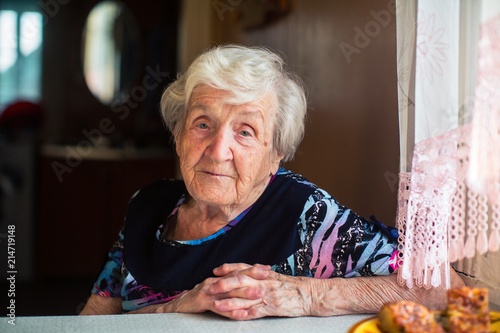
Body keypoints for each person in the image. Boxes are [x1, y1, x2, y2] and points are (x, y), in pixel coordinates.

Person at [80, 45, 463, 319]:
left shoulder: (303, 213)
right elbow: (88, 324)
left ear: (275, 153)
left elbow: (442, 286)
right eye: (202, 124)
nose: (217, 150)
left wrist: (308, 295)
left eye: (245, 132)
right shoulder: (148, 205)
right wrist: (175, 309)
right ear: (178, 134)